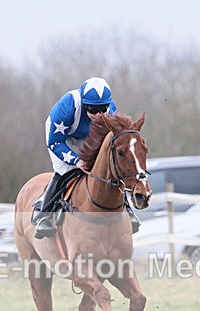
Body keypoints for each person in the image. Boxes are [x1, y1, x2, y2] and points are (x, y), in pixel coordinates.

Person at [34, 77, 140, 239]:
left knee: (110, 168)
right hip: (63, 136)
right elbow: (55, 142)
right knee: (66, 171)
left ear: (108, 105)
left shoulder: (111, 111)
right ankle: (43, 213)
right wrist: (77, 160)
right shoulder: (67, 107)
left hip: (90, 136)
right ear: (84, 104)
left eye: (102, 109)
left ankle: (127, 210)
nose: (98, 114)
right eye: (92, 109)